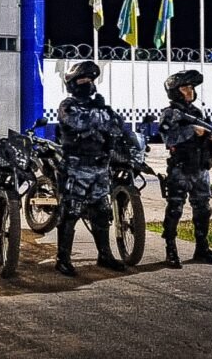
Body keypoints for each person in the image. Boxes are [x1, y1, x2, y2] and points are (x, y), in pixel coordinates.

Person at [54, 60, 127, 276]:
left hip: (99, 168)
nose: (88, 83)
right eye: (83, 80)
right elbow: (80, 122)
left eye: (90, 80)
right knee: (70, 212)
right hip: (76, 168)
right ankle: (63, 259)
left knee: (102, 212)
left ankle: (105, 255)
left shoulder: (101, 107)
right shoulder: (67, 105)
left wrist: (102, 114)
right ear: (73, 84)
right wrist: (101, 115)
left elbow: (117, 125)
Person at [158, 70, 212, 268]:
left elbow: (205, 139)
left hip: (200, 169)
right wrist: (191, 130)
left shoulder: (197, 113)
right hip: (181, 169)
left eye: (191, 87)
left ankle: (202, 249)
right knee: (175, 210)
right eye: (185, 88)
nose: (190, 91)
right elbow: (168, 138)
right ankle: (171, 250)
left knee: (203, 210)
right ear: (175, 91)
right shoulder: (169, 113)